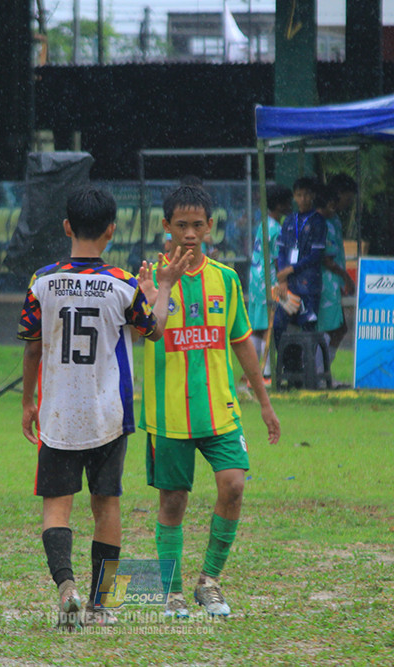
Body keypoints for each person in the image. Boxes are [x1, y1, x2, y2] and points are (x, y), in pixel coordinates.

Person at [18, 185, 190, 629]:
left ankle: (66, 588)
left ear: (67, 227)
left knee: (57, 506)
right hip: (108, 416)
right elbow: (153, 331)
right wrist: (164, 288)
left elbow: (33, 349)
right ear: (112, 230)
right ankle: (101, 605)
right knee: (106, 504)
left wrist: (27, 403)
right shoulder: (123, 285)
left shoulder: (42, 282)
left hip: (57, 412)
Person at [137, 184, 281, 618]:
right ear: (166, 226)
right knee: (173, 503)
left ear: (210, 226)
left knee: (234, 484)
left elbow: (242, 345)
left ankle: (210, 582)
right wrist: (156, 293)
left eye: (198, 224)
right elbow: (144, 332)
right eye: (181, 225)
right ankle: (171, 592)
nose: (189, 233)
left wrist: (265, 403)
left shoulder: (226, 279)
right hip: (169, 416)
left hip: (220, 410)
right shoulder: (147, 280)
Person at [245, 183, 294, 385]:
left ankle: (252, 371)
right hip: (268, 278)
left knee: (256, 325)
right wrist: (282, 280)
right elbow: (276, 258)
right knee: (268, 325)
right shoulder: (277, 229)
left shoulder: (263, 224)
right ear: (280, 205)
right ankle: (265, 374)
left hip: (255, 277)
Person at [273, 181, 330, 349]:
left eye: (306, 194)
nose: (303, 199)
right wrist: (283, 278)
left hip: (308, 285)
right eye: (299, 195)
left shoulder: (318, 221)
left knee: (308, 330)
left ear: (312, 196)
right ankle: (287, 366)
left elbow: (316, 255)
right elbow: (281, 251)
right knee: (278, 324)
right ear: (294, 197)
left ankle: (307, 371)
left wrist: (292, 269)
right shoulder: (289, 220)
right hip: (289, 285)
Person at [318, 175, 358, 376]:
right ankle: (318, 371)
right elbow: (326, 258)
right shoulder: (322, 221)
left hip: (334, 282)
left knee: (339, 328)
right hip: (326, 282)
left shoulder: (334, 219)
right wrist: (347, 277)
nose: (348, 204)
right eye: (348, 198)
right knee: (331, 328)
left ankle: (322, 370)